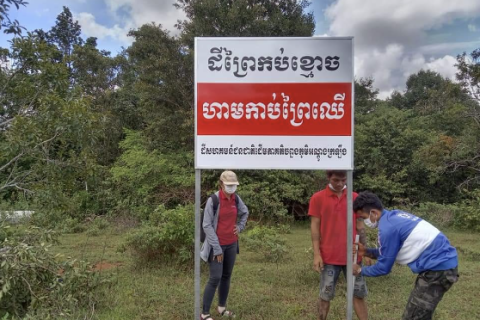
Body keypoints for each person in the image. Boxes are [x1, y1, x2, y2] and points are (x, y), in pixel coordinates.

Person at [352, 192, 459, 320]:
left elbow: (384, 268)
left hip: (437, 269)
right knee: (420, 314)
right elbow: (390, 252)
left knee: (413, 317)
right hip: (441, 264)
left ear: (373, 213)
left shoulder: (387, 228)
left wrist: (359, 270)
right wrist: (367, 252)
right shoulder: (395, 215)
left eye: (363, 217)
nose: (364, 221)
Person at [309, 170, 368, 320]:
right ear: (328, 178)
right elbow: (315, 227)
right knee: (325, 296)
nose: (340, 183)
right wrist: (316, 254)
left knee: (358, 294)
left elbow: (360, 225)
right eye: (336, 180)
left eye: (344, 180)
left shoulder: (355, 198)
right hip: (329, 257)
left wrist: (365, 250)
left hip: (354, 256)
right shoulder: (318, 198)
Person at [200, 170, 249, 320]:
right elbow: (206, 225)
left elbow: (245, 212)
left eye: (234, 185)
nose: (231, 187)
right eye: (228, 184)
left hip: (232, 244)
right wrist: (217, 248)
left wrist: (239, 227)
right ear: (221, 184)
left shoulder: (236, 199)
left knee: (226, 276)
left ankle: (222, 308)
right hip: (217, 246)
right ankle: (204, 314)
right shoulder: (213, 200)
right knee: (215, 278)